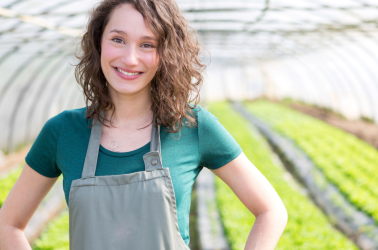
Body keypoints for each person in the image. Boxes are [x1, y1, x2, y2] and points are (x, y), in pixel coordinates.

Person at [0, 0, 288, 249]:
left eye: (147, 44)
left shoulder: (191, 127)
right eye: (118, 39)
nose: (130, 58)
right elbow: (8, 225)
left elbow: (271, 211)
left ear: (166, 54)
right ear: (99, 42)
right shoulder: (63, 132)